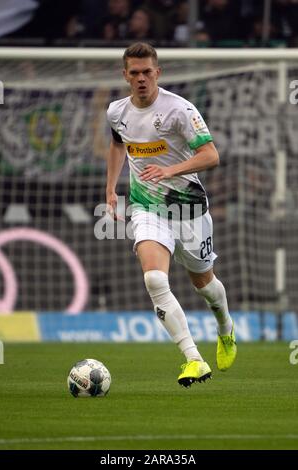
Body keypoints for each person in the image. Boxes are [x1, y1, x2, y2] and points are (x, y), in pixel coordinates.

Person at [106, 42, 237, 387]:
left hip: (188, 208)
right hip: (147, 209)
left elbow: (211, 156)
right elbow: (118, 144)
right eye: (134, 73)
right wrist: (110, 189)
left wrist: (171, 170)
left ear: (158, 73)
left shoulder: (180, 110)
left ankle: (225, 327)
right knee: (154, 279)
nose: (141, 79)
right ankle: (194, 359)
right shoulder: (116, 112)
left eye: (147, 72)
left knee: (204, 284)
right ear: (125, 76)